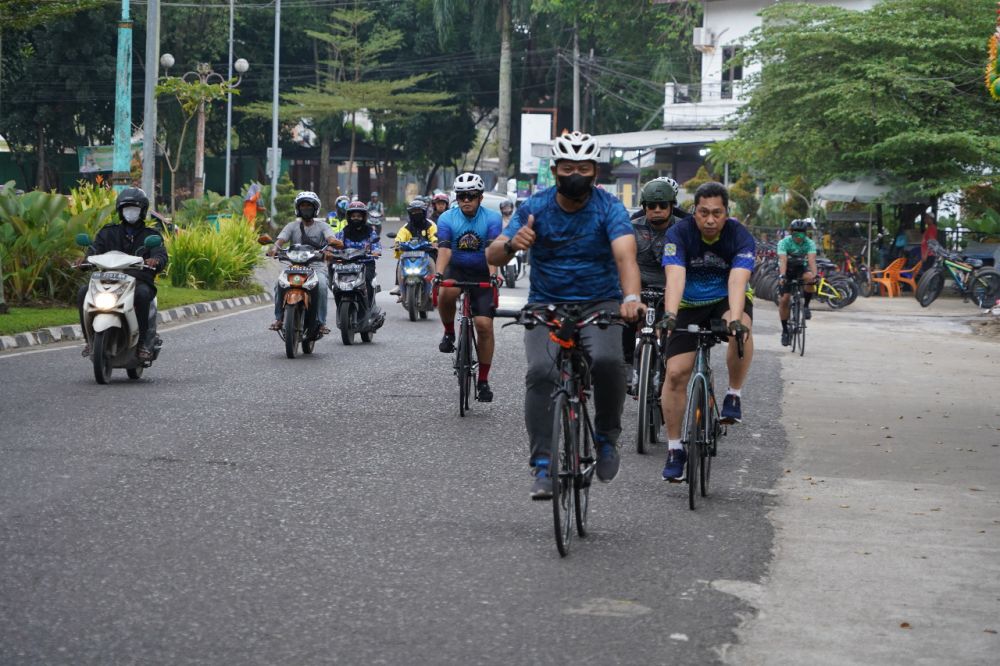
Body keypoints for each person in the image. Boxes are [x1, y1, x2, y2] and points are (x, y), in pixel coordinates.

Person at [486, 131, 645, 499]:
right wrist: (511, 244)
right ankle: (542, 465)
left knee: (607, 361)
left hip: (600, 303)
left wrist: (631, 297)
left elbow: (625, 257)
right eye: (568, 167)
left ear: (595, 172)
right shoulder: (534, 208)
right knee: (541, 372)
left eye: (583, 168)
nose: (576, 174)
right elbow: (492, 255)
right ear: (555, 171)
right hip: (547, 305)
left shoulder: (609, 208)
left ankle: (606, 437)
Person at [659, 181, 754, 481]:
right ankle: (675, 449)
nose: (710, 220)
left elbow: (738, 281)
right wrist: (671, 315)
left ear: (727, 213)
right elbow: (675, 277)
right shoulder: (679, 233)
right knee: (675, 374)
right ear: (694, 213)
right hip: (687, 302)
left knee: (740, 331)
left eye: (717, 213)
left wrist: (736, 320)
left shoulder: (740, 236)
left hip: (725, 300)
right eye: (703, 213)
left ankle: (733, 395)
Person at [77, 187, 168, 361]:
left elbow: (160, 254)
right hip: (107, 279)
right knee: (83, 292)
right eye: (126, 208)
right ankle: (89, 340)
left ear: (142, 211)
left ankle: (143, 343)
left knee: (142, 295)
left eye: (134, 209)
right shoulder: (107, 232)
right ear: (120, 211)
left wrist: (155, 260)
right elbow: (94, 250)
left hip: (138, 280)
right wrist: (84, 261)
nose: (130, 212)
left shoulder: (151, 235)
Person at [435, 172, 502, 403]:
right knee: (446, 291)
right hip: (457, 268)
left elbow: (492, 251)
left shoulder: (492, 218)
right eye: (461, 196)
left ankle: (483, 381)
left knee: (484, 326)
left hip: (483, 270)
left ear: (480, 198)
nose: (466, 200)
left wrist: (493, 276)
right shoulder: (446, 218)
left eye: (471, 196)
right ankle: (449, 333)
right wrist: (438, 274)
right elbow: (444, 250)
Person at [624, 176, 683, 394]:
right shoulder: (631, 228)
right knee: (625, 316)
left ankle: (669, 364)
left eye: (662, 206)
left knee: (675, 326)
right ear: (644, 207)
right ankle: (627, 363)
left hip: (672, 286)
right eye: (651, 206)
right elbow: (622, 260)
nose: (657, 210)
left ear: (671, 207)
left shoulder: (684, 229)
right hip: (639, 285)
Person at [269, 191, 341, 333]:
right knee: (279, 284)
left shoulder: (323, 226)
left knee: (321, 287)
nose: (306, 208)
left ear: (315, 208)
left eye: (309, 205)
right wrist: (274, 249)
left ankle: (321, 322)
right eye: (303, 206)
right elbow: (280, 241)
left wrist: (331, 246)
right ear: (298, 208)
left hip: (316, 266)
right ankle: (279, 318)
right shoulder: (292, 226)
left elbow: (330, 239)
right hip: (294, 266)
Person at [333, 200, 382, 309]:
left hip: (365, 263)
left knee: (367, 283)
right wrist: (331, 250)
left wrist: (376, 251)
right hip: (346, 264)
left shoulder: (370, 232)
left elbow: (376, 245)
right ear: (348, 217)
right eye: (353, 216)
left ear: (364, 217)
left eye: (359, 216)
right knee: (336, 285)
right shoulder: (343, 232)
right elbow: (335, 244)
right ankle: (340, 305)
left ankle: (368, 307)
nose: (356, 218)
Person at [776, 218, 818, 346]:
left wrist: (815, 274)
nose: (799, 237)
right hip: (787, 269)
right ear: (791, 232)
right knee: (784, 300)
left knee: (810, 279)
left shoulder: (809, 243)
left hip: (800, 268)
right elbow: (783, 260)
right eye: (796, 234)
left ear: (806, 233)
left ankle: (805, 306)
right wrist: (782, 276)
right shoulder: (784, 242)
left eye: (802, 234)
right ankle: (785, 331)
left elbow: (811, 260)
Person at [389, 199, 439, 299]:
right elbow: (400, 236)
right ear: (410, 213)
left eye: (419, 211)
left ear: (424, 212)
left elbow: (434, 236)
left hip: (427, 252)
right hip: (410, 252)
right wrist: (398, 243)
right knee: (400, 262)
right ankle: (399, 286)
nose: (416, 214)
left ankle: (434, 286)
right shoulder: (406, 226)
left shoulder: (430, 225)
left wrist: (434, 242)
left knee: (431, 262)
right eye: (414, 212)